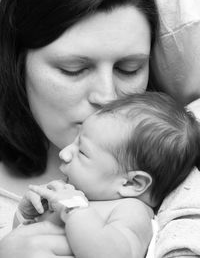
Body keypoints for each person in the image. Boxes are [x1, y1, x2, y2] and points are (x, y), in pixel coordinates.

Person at [0, 0, 160, 257]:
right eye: (73, 69)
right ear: (17, 61)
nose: (107, 95)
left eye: (129, 68)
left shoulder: (171, 176)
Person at [14, 92, 200, 258]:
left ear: (132, 183)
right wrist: (26, 215)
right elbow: (25, 238)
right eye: (75, 140)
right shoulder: (77, 194)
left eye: (83, 152)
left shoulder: (131, 211)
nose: (64, 153)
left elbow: (111, 253)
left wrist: (75, 208)